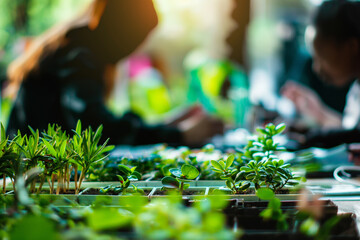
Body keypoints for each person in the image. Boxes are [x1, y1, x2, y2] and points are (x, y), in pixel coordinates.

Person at [4, 0, 224, 146]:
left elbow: (97, 122)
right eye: (136, 38)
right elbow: (95, 129)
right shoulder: (79, 56)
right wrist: (180, 135)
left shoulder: (73, 45)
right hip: (34, 179)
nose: (133, 49)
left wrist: (168, 124)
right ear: (119, 32)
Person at [283, 0, 360, 150]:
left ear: (351, 47)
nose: (316, 69)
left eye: (321, 58)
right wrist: (319, 114)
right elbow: (351, 133)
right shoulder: (356, 89)